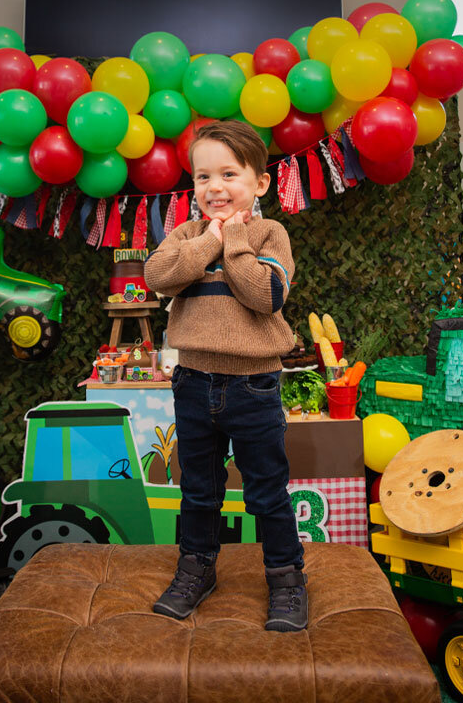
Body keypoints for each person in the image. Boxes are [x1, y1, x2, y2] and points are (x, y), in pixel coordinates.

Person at [144, 119, 307, 632]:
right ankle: (196, 570)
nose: (215, 188)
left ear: (259, 183)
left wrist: (233, 239)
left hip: (253, 386)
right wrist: (207, 240)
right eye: (202, 177)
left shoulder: (269, 234)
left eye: (229, 175)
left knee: (266, 491)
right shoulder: (187, 234)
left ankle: (286, 579)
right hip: (192, 383)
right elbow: (158, 276)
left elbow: (266, 295)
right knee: (198, 489)